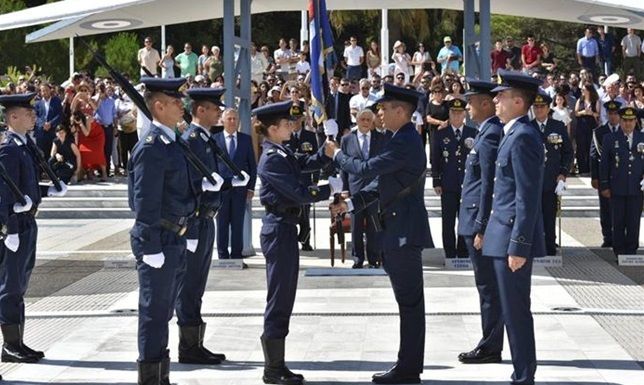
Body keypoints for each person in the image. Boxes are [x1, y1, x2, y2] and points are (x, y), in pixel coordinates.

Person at [330, 83, 434, 384]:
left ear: (401, 111)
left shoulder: (404, 141)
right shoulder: (398, 138)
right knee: (408, 302)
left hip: (404, 230)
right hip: (396, 227)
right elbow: (381, 185)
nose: (379, 114)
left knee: (410, 303)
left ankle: (408, 368)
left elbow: (365, 169)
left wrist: (337, 153)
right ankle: (407, 365)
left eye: (384, 109)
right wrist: (350, 203)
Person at [128, 77, 222, 384]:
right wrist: (149, 245)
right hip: (161, 239)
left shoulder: (174, 141)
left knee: (165, 310)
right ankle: (152, 378)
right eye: (175, 101)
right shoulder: (153, 147)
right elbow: (144, 201)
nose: (182, 105)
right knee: (154, 313)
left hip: (176, 237)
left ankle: (161, 375)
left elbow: (178, 190)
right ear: (158, 106)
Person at [255, 100, 337, 385]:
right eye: (287, 124)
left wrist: (325, 154)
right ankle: (272, 368)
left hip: (285, 228)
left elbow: (303, 164)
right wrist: (327, 189)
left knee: (285, 295)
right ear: (274, 129)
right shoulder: (272, 158)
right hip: (278, 228)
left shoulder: (281, 152)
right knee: (279, 297)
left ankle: (278, 364)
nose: (292, 127)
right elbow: (299, 191)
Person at [176, 88, 249, 365]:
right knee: (189, 285)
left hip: (208, 218)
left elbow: (212, 176)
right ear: (200, 111)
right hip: (195, 220)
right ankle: (188, 346)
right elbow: (187, 182)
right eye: (214, 108)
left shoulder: (206, 139)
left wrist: (231, 180)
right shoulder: (191, 140)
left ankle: (195, 343)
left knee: (198, 285)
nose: (220, 112)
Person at [484, 69, 545, 385]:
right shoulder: (513, 132)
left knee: (516, 312)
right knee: (510, 311)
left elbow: (527, 196)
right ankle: (521, 372)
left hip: (511, 240)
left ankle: (524, 376)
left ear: (518, 102)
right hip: (501, 235)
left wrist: (519, 245)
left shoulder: (523, 136)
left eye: (502, 96)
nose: (496, 100)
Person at [0, 92, 67, 364]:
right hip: (17, 227)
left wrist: (48, 191)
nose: (33, 116)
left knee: (20, 284)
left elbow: (24, 186)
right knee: (10, 286)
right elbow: (4, 194)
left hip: (29, 221)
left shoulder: (24, 145)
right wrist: (11, 228)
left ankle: (18, 342)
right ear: (13, 117)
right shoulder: (8, 148)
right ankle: (10, 346)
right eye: (28, 113)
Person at [457, 78, 504, 365]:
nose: (466, 107)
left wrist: (482, 226)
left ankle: (490, 346)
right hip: (472, 217)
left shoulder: (490, 135)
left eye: (470, 101)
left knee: (489, 287)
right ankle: (490, 342)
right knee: (485, 286)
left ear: (485, 103)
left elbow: (489, 185)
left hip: (478, 221)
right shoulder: (484, 131)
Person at [340, 108, 387, 268]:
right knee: (356, 225)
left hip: (375, 188)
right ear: (357, 121)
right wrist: (344, 188)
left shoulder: (381, 138)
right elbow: (343, 166)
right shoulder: (347, 140)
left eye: (369, 120)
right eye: (363, 120)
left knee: (374, 224)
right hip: (355, 187)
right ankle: (357, 258)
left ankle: (374, 258)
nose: (366, 123)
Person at [431, 98, 477, 259]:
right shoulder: (441, 133)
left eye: (460, 112)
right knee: (448, 220)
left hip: (467, 184)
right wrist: (436, 180)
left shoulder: (473, 133)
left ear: (465, 114)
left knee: (465, 219)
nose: (457, 115)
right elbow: (435, 159)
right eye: (453, 112)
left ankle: (463, 252)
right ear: (449, 114)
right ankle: (450, 253)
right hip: (448, 183)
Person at [532, 92, 573, 256]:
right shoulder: (528, 127)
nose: (539, 109)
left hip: (551, 180)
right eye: (536, 106)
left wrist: (563, 173)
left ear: (548, 108)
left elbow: (568, 152)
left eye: (542, 106)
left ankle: (549, 248)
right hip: (532, 182)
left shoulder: (558, 126)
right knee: (534, 217)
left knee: (549, 216)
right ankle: (535, 247)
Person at [599, 106, 644, 257]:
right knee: (618, 220)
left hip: (637, 187)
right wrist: (604, 185)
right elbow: (604, 163)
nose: (628, 124)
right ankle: (619, 250)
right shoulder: (610, 139)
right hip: (617, 186)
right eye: (625, 120)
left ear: (635, 121)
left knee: (633, 220)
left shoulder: (641, 138)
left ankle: (631, 250)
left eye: (631, 120)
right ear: (620, 120)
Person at [214, 109, 257, 262]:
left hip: (241, 190)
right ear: (223, 121)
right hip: (222, 190)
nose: (232, 121)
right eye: (229, 119)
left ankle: (237, 256)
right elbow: (212, 166)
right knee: (222, 224)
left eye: (235, 119)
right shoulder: (215, 139)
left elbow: (252, 165)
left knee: (238, 224)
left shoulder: (245, 139)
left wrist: (251, 187)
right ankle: (223, 256)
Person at [284, 104, 319, 251]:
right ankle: (290, 241)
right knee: (290, 212)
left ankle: (305, 240)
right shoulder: (284, 137)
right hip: (290, 180)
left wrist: (315, 180)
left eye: (298, 119)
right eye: (292, 119)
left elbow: (316, 158)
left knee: (305, 212)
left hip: (305, 180)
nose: (295, 122)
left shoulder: (310, 136)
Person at [590, 100, 621, 248]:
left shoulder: (625, 130)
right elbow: (593, 156)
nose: (613, 116)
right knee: (606, 207)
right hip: (605, 176)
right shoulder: (599, 132)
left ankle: (620, 236)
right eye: (610, 113)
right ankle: (607, 236)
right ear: (607, 114)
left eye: (615, 113)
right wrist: (595, 177)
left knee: (622, 208)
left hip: (622, 176)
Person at [574, 83, 600, 175]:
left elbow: (598, 114)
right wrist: (584, 112)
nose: (582, 91)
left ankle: (590, 169)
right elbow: (576, 113)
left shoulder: (595, 101)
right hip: (581, 126)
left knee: (590, 147)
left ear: (589, 90)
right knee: (581, 147)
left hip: (591, 126)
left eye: (583, 89)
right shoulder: (580, 100)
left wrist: (591, 113)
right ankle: (582, 169)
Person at [34, 83, 62, 158]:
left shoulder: (56, 101)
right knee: (41, 154)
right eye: (43, 91)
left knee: (53, 153)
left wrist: (50, 123)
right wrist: (43, 124)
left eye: (46, 90)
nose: (45, 92)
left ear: (50, 90)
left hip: (53, 131)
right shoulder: (37, 103)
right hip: (41, 133)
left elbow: (60, 115)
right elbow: (35, 116)